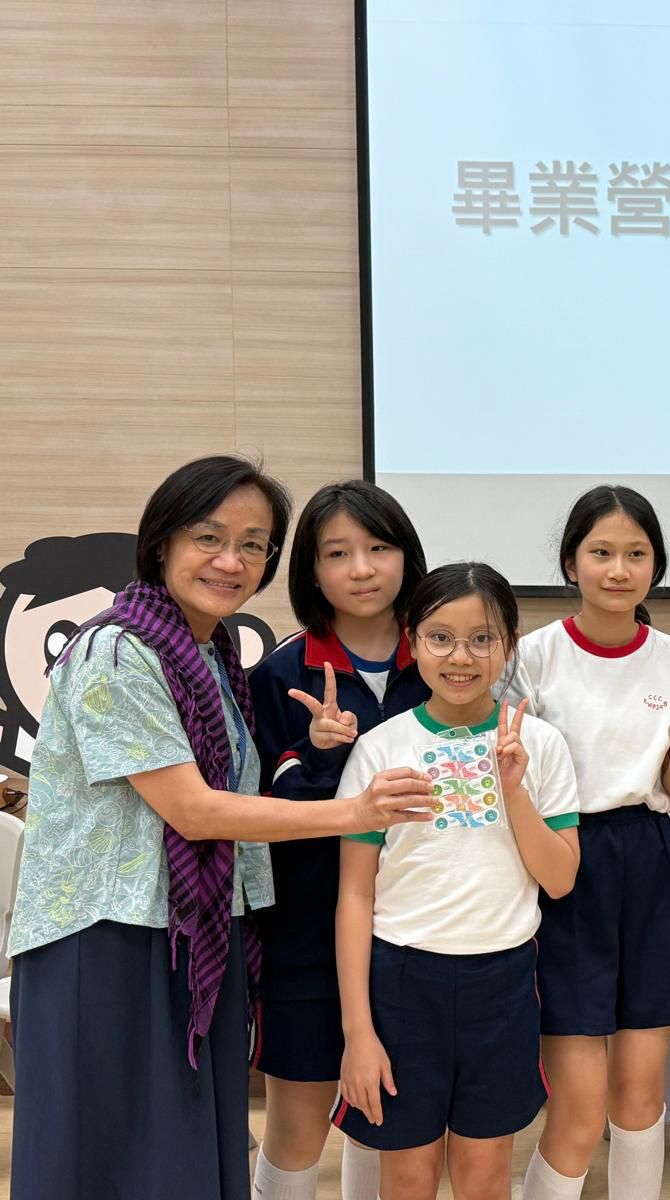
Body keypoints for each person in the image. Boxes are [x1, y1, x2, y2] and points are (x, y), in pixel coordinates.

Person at [4, 455, 432, 1200]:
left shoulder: (211, 656)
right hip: (107, 938)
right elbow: (195, 809)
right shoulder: (116, 651)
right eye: (209, 537)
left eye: (252, 544)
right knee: (102, 1159)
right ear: (163, 540)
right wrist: (355, 811)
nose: (230, 561)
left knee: (182, 1153)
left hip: (195, 932)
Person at [330, 562, 581, 1200]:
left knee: (483, 1175)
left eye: (482, 639)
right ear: (412, 642)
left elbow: (559, 881)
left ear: (509, 646)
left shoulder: (541, 745)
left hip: (502, 982)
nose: (461, 657)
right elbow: (355, 895)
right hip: (400, 984)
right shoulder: (380, 748)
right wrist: (358, 1032)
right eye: (441, 638)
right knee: (409, 1176)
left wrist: (514, 789)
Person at [504, 485, 670, 1200]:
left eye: (636, 554)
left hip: (649, 862)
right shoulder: (533, 656)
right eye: (601, 552)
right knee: (578, 1102)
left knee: (641, 1092)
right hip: (563, 862)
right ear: (571, 563)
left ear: (656, 566)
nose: (619, 569)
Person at [248, 480, 431, 1200]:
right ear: (311, 570)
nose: (361, 569)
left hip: (420, 933)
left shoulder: (443, 659)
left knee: (387, 1118)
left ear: (406, 556)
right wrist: (321, 756)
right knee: (298, 1126)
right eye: (337, 553)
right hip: (307, 935)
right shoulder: (279, 674)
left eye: (379, 547)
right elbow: (260, 814)